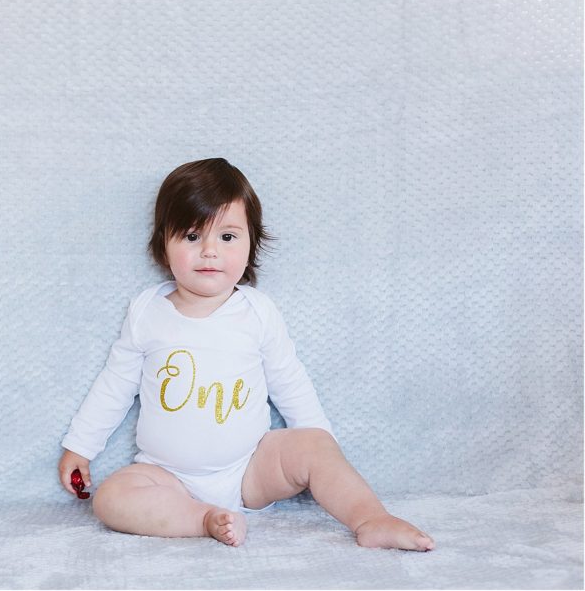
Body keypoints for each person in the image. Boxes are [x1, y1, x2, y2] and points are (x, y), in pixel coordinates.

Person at [57, 158, 434, 551]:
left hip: (250, 468)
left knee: (313, 445)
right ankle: (203, 519)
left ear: (252, 242)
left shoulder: (256, 312)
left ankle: (371, 518)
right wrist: (81, 446)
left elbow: (289, 379)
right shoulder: (146, 312)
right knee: (111, 498)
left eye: (227, 237)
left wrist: (319, 443)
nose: (208, 252)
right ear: (162, 244)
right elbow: (115, 384)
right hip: (165, 475)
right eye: (190, 236)